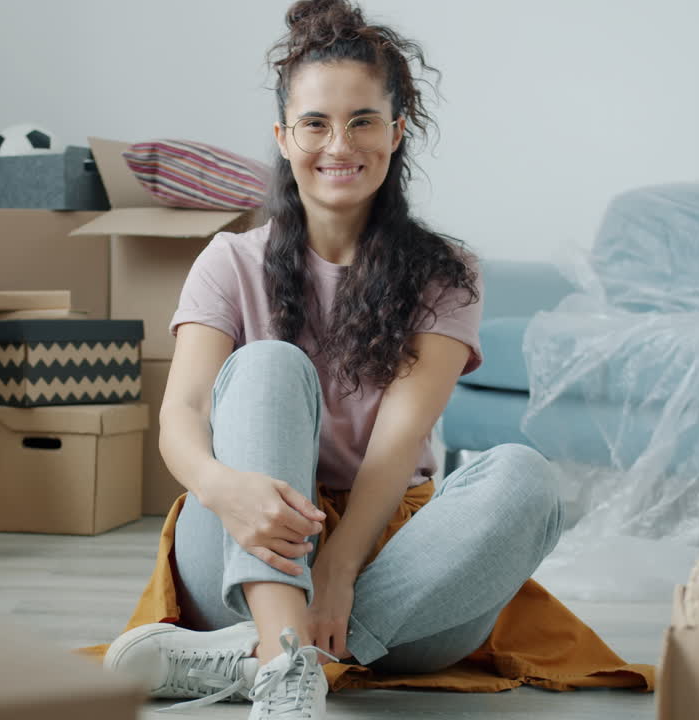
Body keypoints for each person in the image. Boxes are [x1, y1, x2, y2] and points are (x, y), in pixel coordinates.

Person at [104, 1, 563, 717]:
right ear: (285, 137)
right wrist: (224, 488)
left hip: (393, 562)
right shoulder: (228, 261)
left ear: (397, 131)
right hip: (240, 537)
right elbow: (182, 414)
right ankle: (286, 658)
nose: (338, 144)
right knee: (269, 365)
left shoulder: (447, 273)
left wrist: (344, 566)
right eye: (315, 123)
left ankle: (268, 654)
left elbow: (399, 439)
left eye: (362, 120)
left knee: (526, 478)